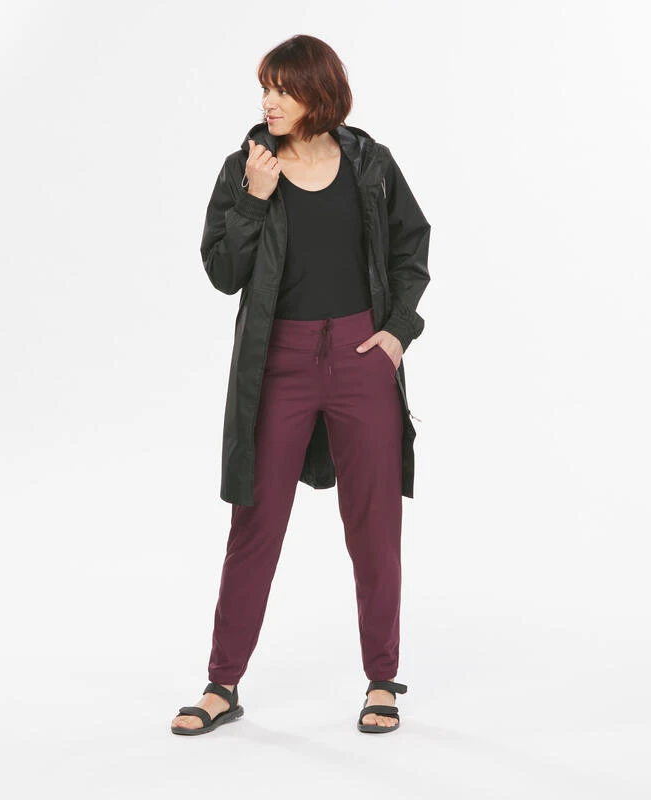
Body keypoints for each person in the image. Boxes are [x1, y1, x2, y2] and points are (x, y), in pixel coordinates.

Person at [171, 34, 430, 736]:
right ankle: (222, 684)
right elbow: (224, 272)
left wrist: (398, 332)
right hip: (277, 362)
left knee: (375, 525)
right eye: (265, 87)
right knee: (255, 523)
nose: (269, 101)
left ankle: (383, 680)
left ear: (320, 92)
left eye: (283, 88)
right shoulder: (246, 168)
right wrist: (254, 202)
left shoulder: (371, 164)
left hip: (361, 357)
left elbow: (411, 248)